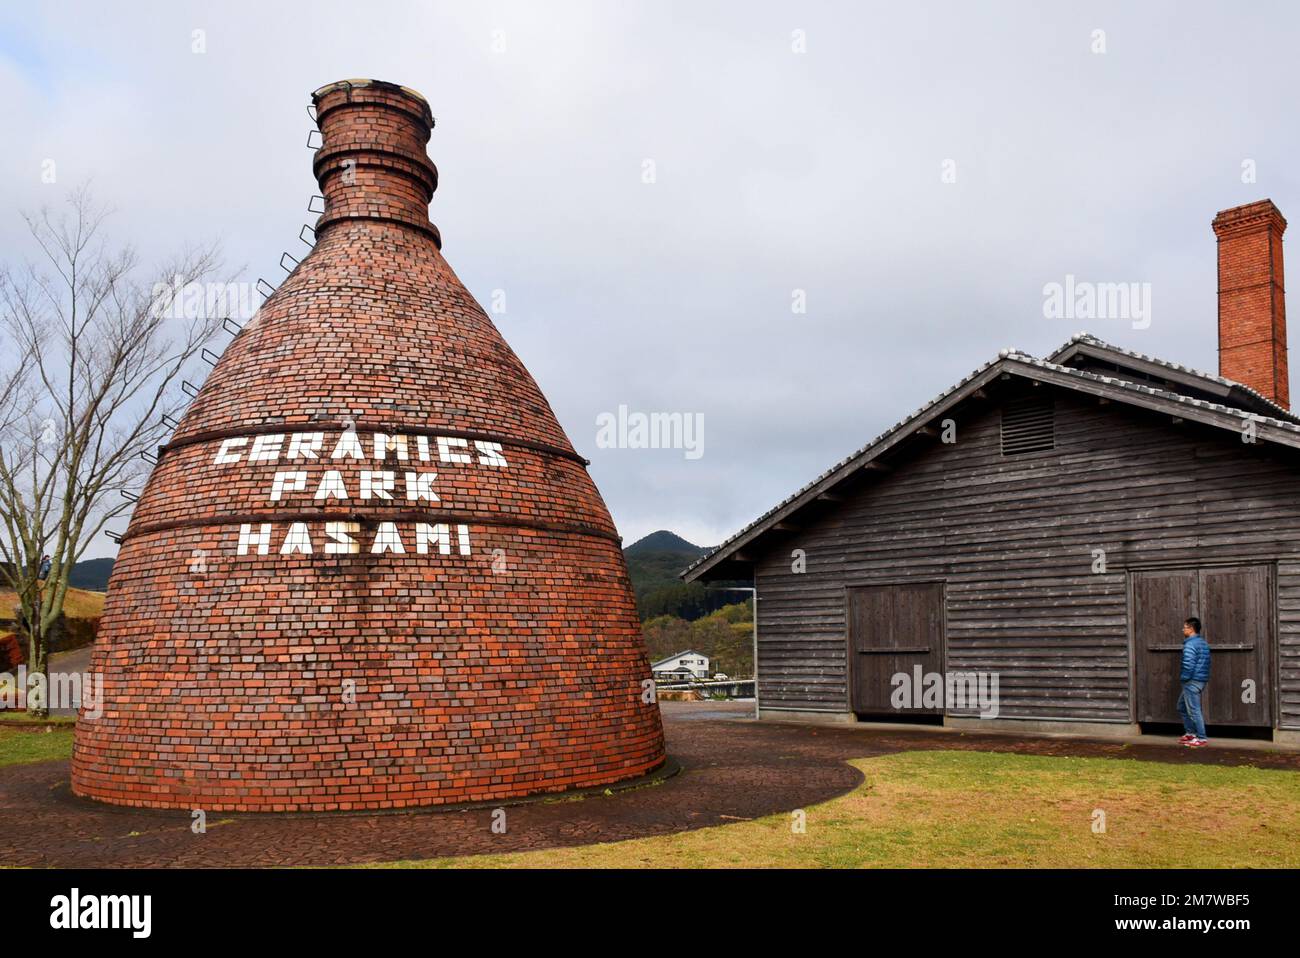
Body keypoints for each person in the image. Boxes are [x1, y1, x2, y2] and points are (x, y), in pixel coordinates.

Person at [1177, 616, 1211, 748]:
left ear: (1191, 629)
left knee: (1194, 710)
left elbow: (1188, 664)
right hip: (1199, 679)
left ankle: (1201, 738)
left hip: (1192, 681)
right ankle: (1190, 733)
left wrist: (1185, 678)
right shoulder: (1202, 643)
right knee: (1182, 707)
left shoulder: (1190, 644)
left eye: (1185, 627)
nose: (1183, 629)